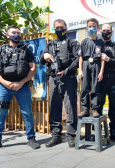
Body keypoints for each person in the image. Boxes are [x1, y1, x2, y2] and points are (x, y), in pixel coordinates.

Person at [0, 25, 40, 150]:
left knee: (27, 113)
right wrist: (4, 82)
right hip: (4, 87)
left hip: (22, 87)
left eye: (18, 33)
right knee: (1, 113)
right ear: (7, 35)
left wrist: (21, 82)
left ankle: (31, 138)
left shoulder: (27, 50)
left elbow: (33, 69)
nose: (17, 35)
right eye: (14, 32)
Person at [40, 19, 80, 148]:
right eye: (56, 27)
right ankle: (56, 135)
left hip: (68, 78)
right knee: (54, 106)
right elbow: (41, 60)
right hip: (54, 78)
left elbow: (78, 59)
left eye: (61, 27)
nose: (59, 29)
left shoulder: (72, 42)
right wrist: (44, 55)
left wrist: (66, 71)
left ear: (66, 28)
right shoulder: (50, 44)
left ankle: (71, 135)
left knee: (70, 106)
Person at [97, 23, 115, 143]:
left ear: (112, 32)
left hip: (113, 79)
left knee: (114, 107)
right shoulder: (96, 45)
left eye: (108, 30)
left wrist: (109, 59)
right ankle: (98, 131)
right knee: (99, 105)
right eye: (104, 30)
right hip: (100, 80)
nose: (106, 32)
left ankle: (113, 132)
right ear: (100, 31)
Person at [78, 18, 105, 118]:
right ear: (86, 28)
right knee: (85, 88)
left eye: (94, 26)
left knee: (95, 87)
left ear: (98, 28)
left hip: (96, 64)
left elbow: (102, 58)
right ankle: (85, 109)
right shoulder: (84, 41)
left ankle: (95, 109)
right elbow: (80, 57)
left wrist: (101, 71)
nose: (91, 28)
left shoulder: (101, 42)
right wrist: (80, 70)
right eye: (89, 26)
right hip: (85, 63)